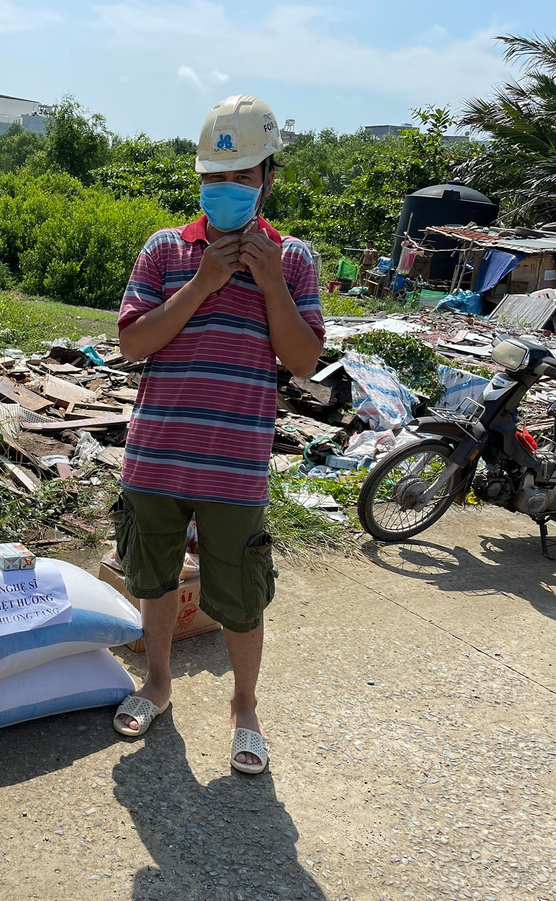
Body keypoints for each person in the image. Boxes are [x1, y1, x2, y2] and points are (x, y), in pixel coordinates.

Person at [110, 95, 325, 775]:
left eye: (240, 176)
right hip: (157, 460)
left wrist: (267, 283)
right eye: (213, 177)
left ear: (268, 177)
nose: (225, 190)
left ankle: (245, 706)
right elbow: (132, 344)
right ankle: (158, 685)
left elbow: (303, 360)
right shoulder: (166, 249)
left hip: (235, 469)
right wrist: (203, 282)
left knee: (241, 595)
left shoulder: (294, 261)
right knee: (157, 580)